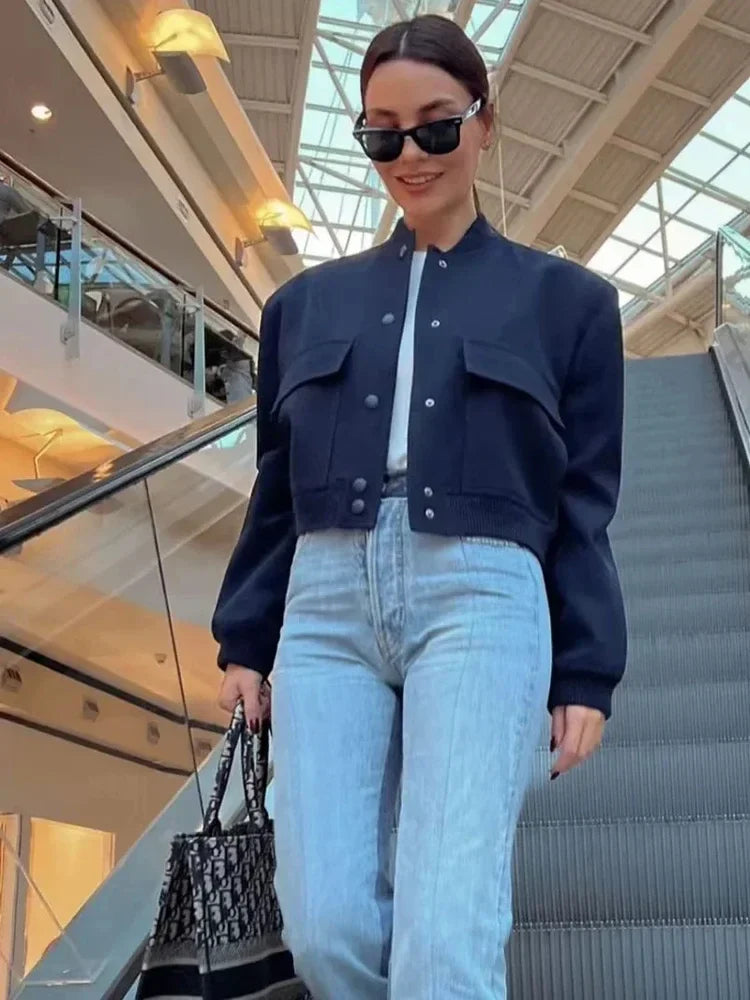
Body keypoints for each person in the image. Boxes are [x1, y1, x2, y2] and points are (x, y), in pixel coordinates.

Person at [213, 13, 626, 1000]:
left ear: (484, 122)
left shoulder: (569, 304)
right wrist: (245, 638)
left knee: (444, 943)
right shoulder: (301, 307)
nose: (411, 155)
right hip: (324, 602)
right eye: (382, 135)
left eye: (436, 126)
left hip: (482, 591)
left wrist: (586, 666)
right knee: (325, 933)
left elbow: (584, 499)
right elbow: (276, 489)